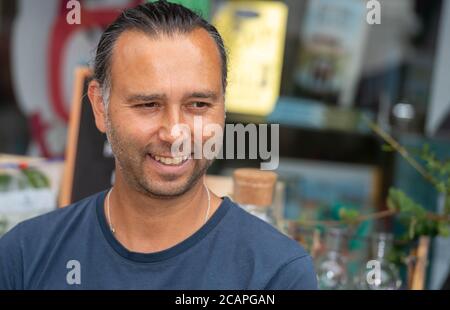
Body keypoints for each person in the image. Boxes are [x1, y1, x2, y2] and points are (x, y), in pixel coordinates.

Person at [0, 1, 317, 289]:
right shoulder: (26, 256)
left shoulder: (275, 274)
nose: (175, 133)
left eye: (198, 104)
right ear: (99, 107)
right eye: (148, 104)